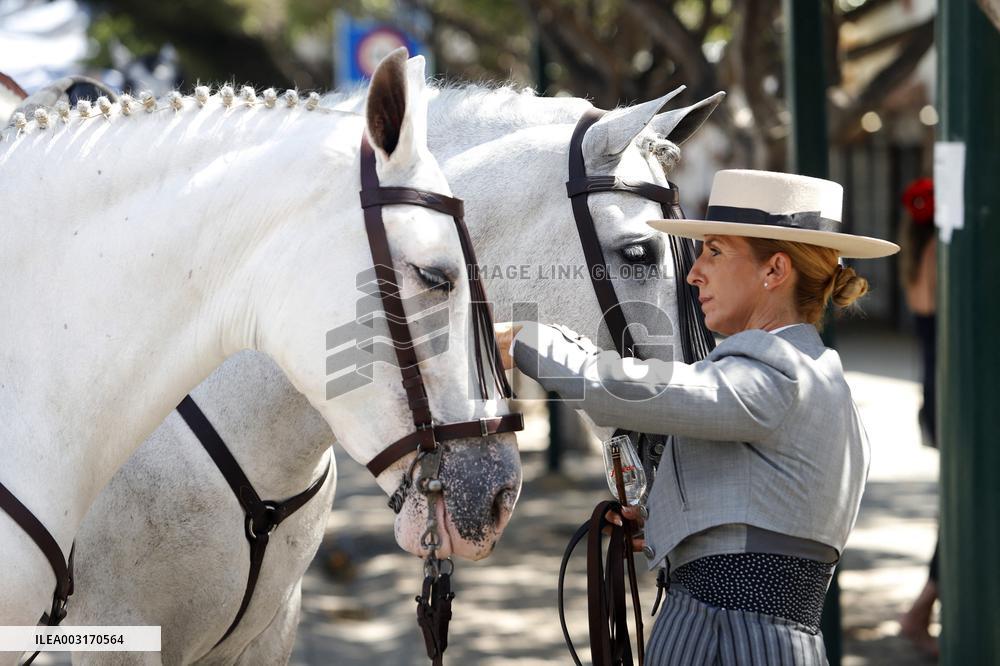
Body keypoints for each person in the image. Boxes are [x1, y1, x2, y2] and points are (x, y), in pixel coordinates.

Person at [496, 170, 899, 665]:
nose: (694, 273)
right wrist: (668, 523)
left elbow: (625, 391)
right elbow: (766, 517)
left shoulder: (779, 370)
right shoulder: (814, 375)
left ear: (774, 271)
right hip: (751, 635)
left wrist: (527, 341)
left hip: (726, 635)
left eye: (715, 252)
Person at [896, 177, 940, 657]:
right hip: (953, 391)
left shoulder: (915, 256)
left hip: (935, 389)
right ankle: (922, 606)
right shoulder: (938, 257)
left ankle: (923, 607)